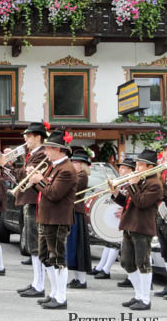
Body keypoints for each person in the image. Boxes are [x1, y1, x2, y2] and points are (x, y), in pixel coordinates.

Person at [28, 130, 77, 310]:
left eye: (48, 148)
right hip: (46, 217)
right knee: (45, 257)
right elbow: (44, 191)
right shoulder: (53, 166)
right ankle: (54, 293)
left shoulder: (67, 170)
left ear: (59, 150)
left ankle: (61, 297)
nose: (46, 151)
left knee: (57, 258)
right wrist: (34, 181)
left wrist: (39, 180)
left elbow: (54, 194)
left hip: (57, 219)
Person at [111, 149, 163, 311]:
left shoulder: (155, 184)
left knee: (143, 263)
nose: (137, 168)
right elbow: (128, 202)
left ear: (150, 167)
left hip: (142, 227)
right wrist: (115, 193)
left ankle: (145, 299)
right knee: (127, 262)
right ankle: (138, 294)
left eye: (140, 165)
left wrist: (133, 185)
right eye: (137, 165)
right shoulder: (140, 181)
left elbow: (141, 202)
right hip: (129, 225)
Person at [4, 122, 48, 297]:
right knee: (31, 244)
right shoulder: (33, 155)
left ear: (38, 137)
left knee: (35, 244)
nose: (25, 139)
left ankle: (39, 285)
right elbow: (19, 176)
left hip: (34, 201)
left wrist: (11, 163)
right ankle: (36, 282)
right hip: (27, 200)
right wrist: (9, 166)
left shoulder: (41, 154)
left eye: (29, 136)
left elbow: (25, 175)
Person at [95, 158, 135, 286]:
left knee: (136, 251)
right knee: (119, 245)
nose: (121, 170)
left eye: (124, 168)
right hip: (125, 218)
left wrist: (124, 208)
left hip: (133, 219)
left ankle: (130, 277)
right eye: (121, 168)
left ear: (131, 170)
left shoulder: (134, 182)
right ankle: (105, 268)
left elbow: (135, 200)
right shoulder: (124, 183)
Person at [66, 149, 92, 289]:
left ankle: (81, 280)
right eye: (73, 161)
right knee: (73, 248)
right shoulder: (76, 175)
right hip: (72, 212)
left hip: (77, 213)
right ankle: (76, 278)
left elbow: (71, 189)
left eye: (75, 162)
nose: (72, 164)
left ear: (82, 165)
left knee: (78, 247)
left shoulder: (81, 176)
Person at [154, 144, 167, 298]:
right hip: (161, 216)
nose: (164, 154)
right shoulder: (162, 172)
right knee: (165, 252)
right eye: (164, 150)